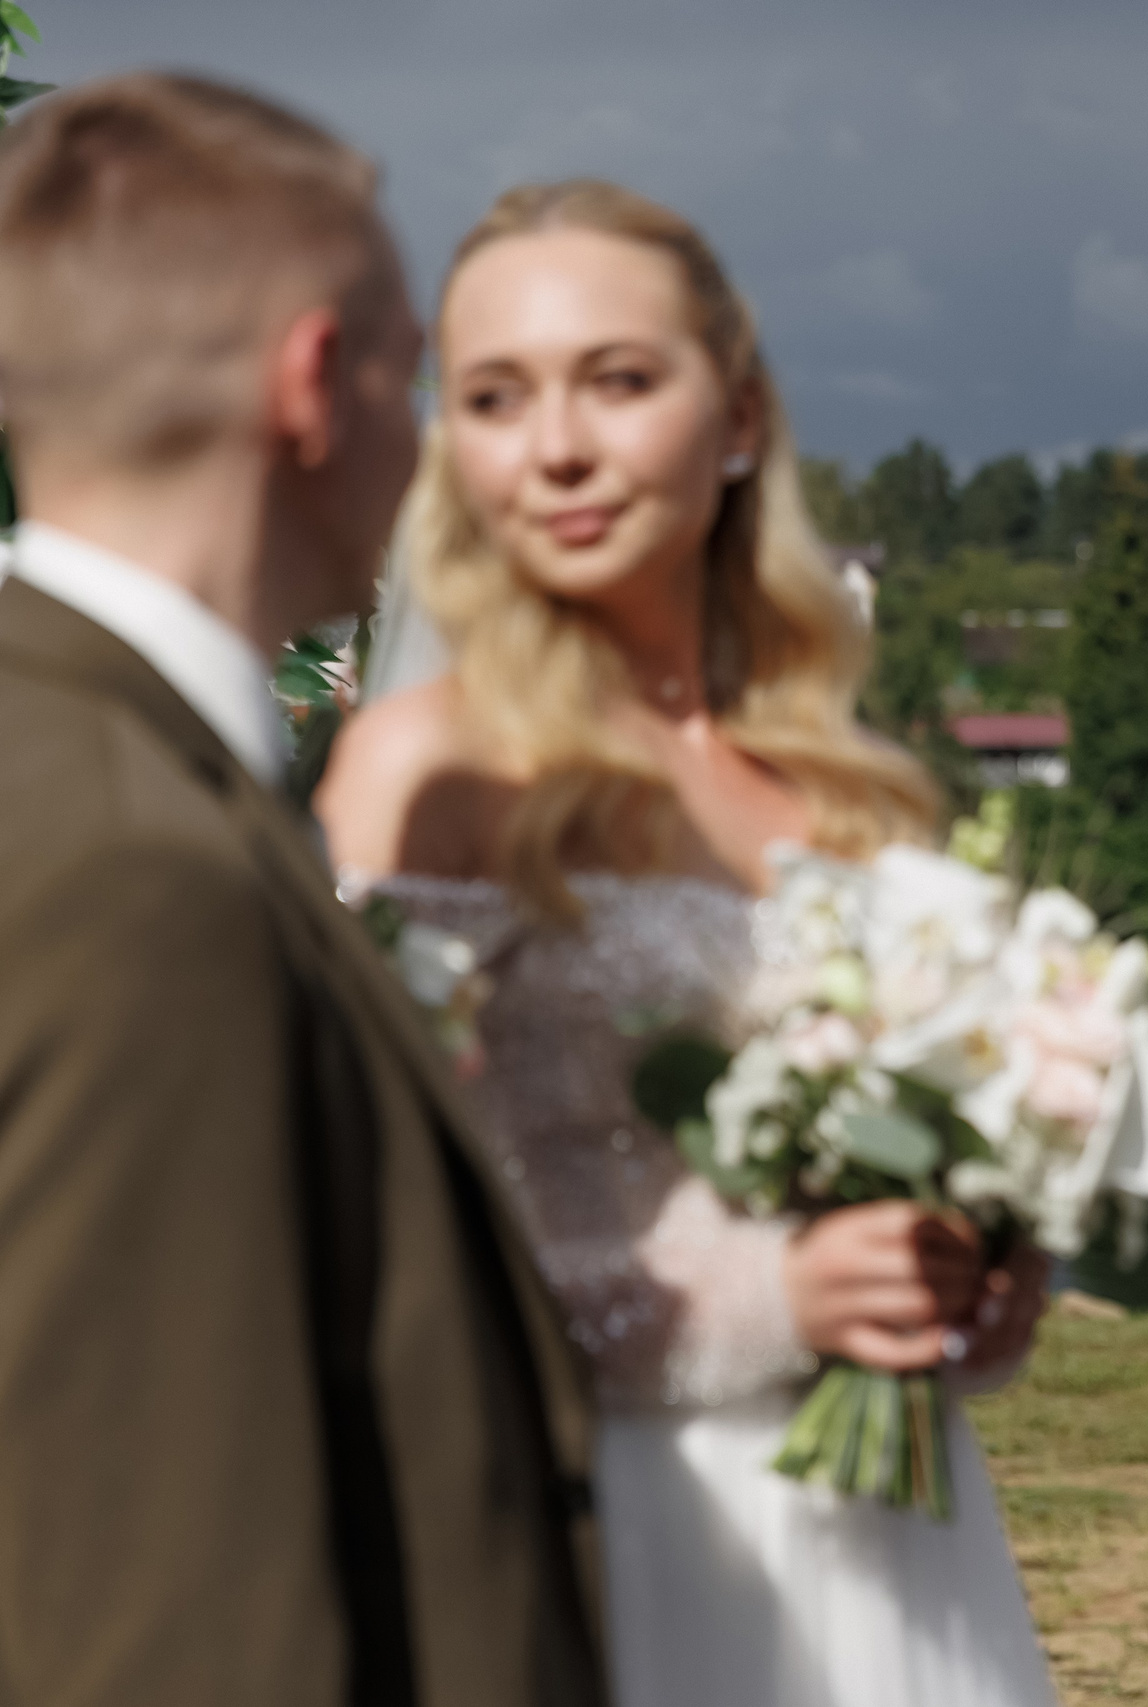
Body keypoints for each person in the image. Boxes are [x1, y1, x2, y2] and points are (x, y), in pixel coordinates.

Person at [315, 179, 1057, 1707]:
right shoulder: (423, 770)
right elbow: (371, 1250)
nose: (559, 447)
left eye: (620, 379)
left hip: (887, 1539)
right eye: (496, 397)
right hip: (615, 1534)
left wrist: (977, 1272)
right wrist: (772, 1297)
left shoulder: (852, 793)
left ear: (740, 414)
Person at [0, 75, 604, 1706]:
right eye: (421, 375)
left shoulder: (87, 765)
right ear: (316, 385)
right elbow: (181, 1614)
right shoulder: (135, 872)